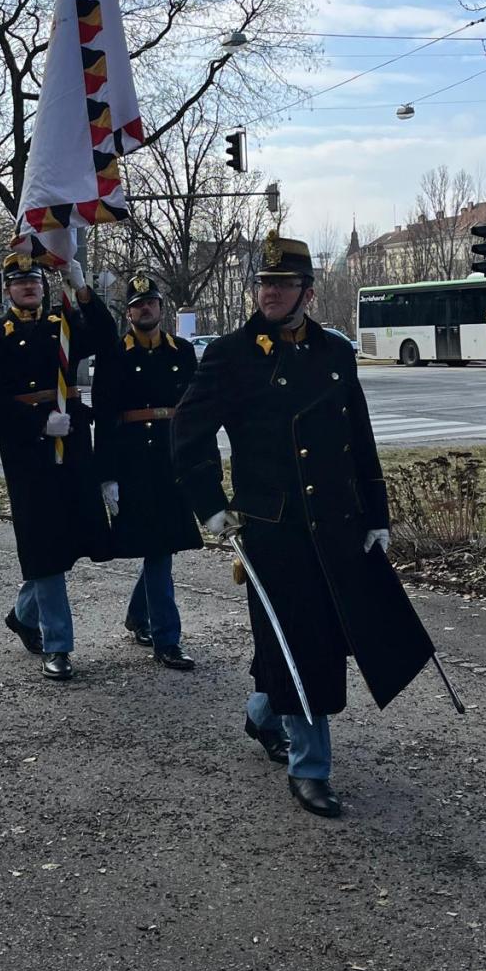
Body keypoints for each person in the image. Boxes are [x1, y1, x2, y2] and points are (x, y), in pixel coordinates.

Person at [172, 231, 433, 819]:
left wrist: (376, 513)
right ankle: (311, 767)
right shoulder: (231, 354)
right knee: (299, 642)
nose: (270, 292)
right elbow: (188, 433)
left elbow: (358, 437)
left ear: (307, 293)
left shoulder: (335, 352)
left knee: (329, 638)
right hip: (273, 526)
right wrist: (210, 504)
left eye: (283, 283)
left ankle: (264, 712)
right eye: (263, 283)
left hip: (337, 520)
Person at [0, 251, 116, 682]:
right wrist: (37, 422)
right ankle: (58, 644)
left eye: (34, 280)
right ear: (8, 291)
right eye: (19, 282)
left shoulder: (63, 325)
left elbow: (106, 337)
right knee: (44, 543)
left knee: (70, 536)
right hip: (29, 452)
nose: (28, 286)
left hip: (72, 442)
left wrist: (82, 287)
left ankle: (23, 614)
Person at [93, 272, 202, 671]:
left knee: (162, 547)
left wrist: (197, 461)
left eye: (151, 303)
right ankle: (166, 638)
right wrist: (107, 476)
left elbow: (193, 411)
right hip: (134, 462)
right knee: (158, 548)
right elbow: (104, 418)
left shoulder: (182, 352)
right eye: (138, 305)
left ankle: (141, 616)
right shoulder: (114, 355)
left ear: (161, 307)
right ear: (129, 313)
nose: (145, 309)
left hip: (170, 460)